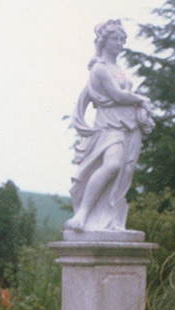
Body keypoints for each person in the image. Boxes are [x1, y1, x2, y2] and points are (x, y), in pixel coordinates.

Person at [65, 19, 154, 232]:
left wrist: (139, 106)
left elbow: (126, 87)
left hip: (129, 125)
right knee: (112, 165)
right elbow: (119, 94)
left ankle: (113, 219)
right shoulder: (100, 69)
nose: (120, 43)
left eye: (123, 39)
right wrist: (142, 100)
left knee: (125, 171)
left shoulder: (118, 68)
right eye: (116, 38)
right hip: (110, 125)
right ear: (104, 41)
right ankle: (83, 212)